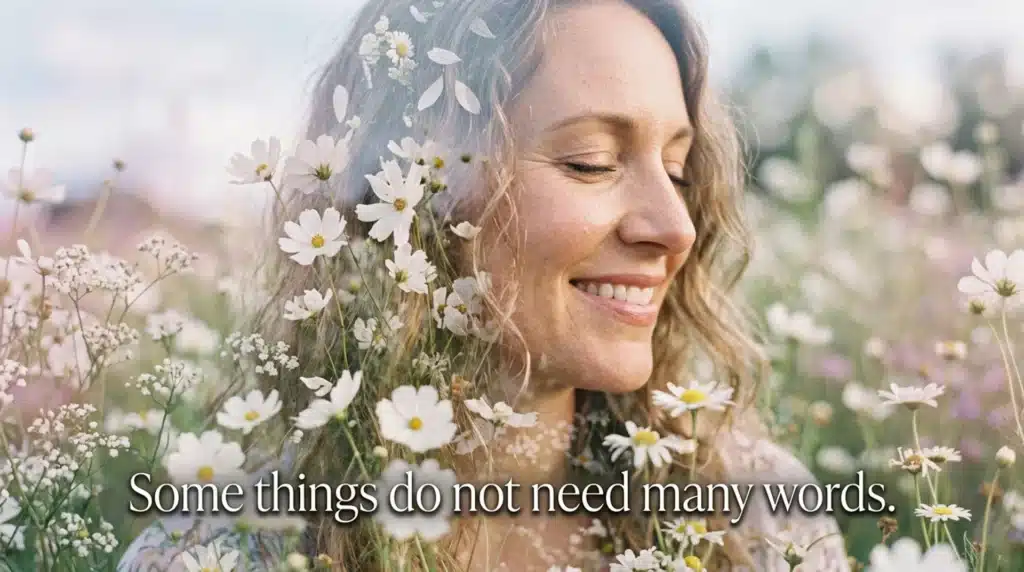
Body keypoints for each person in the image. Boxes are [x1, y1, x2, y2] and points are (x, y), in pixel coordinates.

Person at [119, 0, 850, 570]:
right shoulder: (220, 553)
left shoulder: (759, 520)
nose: (675, 226)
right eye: (592, 162)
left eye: (680, 171)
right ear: (418, 192)